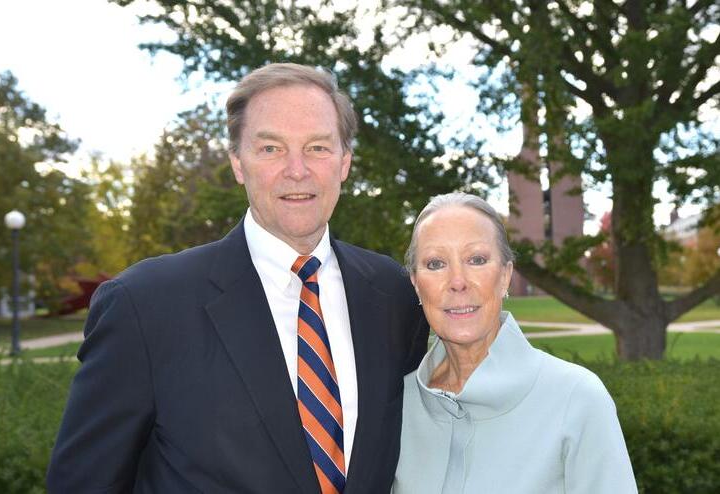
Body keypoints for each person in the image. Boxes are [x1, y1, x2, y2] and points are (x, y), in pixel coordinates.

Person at [47, 63, 428, 494]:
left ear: (344, 162)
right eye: (271, 149)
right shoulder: (145, 305)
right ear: (238, 164)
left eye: (318, 148)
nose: (297, 170)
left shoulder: (394, 295)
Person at [392, 192, 637, 494]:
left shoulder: (577, 398)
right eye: (435, 264)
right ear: (416, 283)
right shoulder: (396, 404)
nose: (458, 281)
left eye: (477, 260)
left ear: (505, 275)